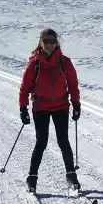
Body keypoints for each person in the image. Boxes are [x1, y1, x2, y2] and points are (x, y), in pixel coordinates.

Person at [18, 27, 81, 192]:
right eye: (46, 41)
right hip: (41, 107)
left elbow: (73, 85)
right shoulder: (35, 63)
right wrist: (23, 108)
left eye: (53, 41)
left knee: (63, 141)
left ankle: (71, 175)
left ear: (57, 43)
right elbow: (24, 88)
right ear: (40, 42)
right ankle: (32, 177)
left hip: (61, 106)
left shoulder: (64, 62)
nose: (49, 45)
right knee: (41, 142)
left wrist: (76, 104)